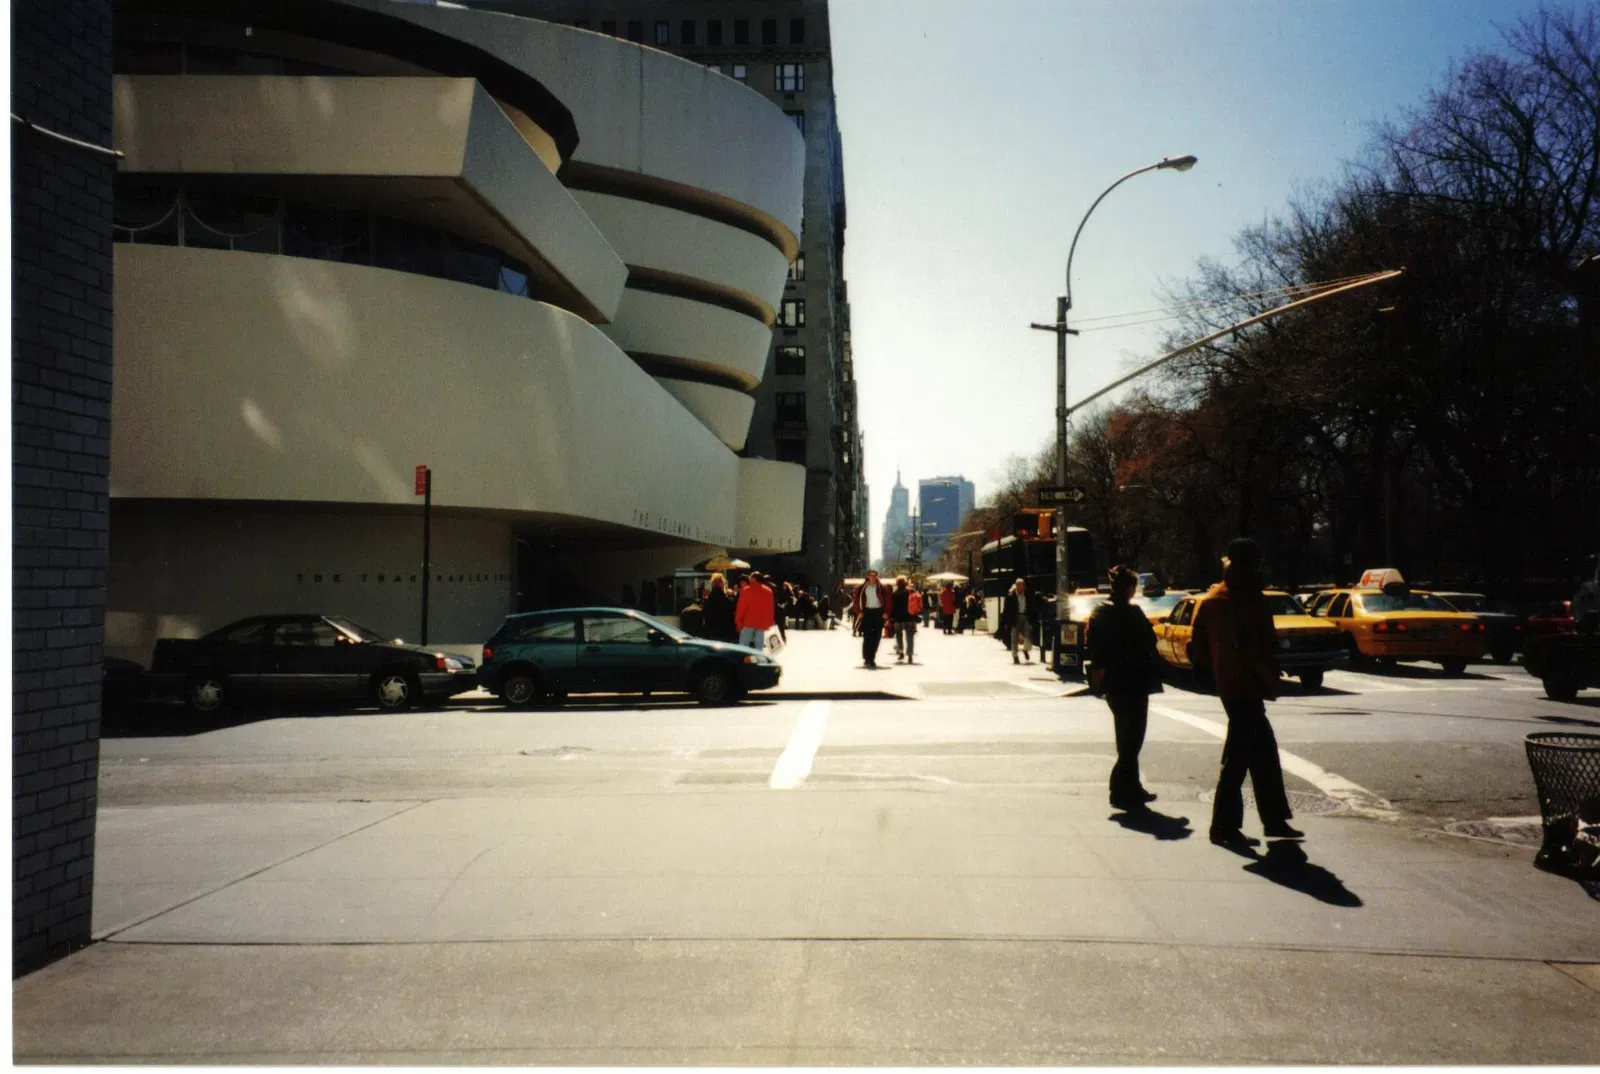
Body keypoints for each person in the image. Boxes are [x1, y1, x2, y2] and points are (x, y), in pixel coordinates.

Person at [1191, 537, 1303, 847]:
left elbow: (1198, 647)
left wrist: (1215, 675)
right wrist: (1267, 675)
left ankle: (1265, 821)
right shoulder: (1243, 599)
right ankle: (1230, 825)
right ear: (1250, 564)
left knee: (1254, 753)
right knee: (1243, 758)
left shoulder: (1217, 598)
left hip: (1232, 686)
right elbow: (1252, 646)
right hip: (1245, 687)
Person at [1087, 565, 1163, 811]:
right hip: (1135, 680)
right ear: (1129, 589)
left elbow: (1094, 648)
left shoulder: (1099, 612)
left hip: (1113, 681)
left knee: (1124, 735)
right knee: (1133, 738)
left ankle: (1131, 787)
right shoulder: (1133, 613)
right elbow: (1150, 641)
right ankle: (1119, 788)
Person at [851, 569, 892, 668]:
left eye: (875, 575)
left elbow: (888, 601)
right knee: (867, 636)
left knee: (877, 636)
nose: (873, 577)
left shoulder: (882, 588)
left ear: (877, 576)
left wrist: (886, 613)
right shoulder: (862, 588)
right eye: (871, 575)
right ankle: (867, 658)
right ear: (868, 576)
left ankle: (872, 657)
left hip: (878, 612)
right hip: (867, 612)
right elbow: (856, 601)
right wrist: (859, 612)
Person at [734, 570, 776, 651]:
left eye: (750, 577)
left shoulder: (747, 590)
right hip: (761, 623)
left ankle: (744, 659)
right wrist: (769, 623)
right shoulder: (768, 591)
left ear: (754, 579)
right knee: (759, 648)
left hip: (748, 622)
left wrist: (738, 622)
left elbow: (741, 608)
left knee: (743, 647)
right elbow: (770, 609)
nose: (749, 578)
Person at [1003, 578, 1035, 664]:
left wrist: (1032, 619)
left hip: (1025, 617)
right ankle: (1015, 656)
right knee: (1014, 638)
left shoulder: (1028, 596)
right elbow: (1006, 610)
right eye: (1019, 585)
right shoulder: (1010, 597)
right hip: (1015, 618)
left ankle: (1025, 649)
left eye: (1023, 586)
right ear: (1016, 586)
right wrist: (1006, 622)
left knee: (1028, 636)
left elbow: (1032, 607)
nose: (1021, 587)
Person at [890, 575, 920, 664]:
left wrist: (891, 617)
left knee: (898, 636)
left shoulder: (894, 593)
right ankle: (910, 654)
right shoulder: (910, 591)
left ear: (897, 583)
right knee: (910, 636)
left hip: (897, 618)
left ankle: (901, 652)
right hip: (910, 617)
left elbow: (892, 607)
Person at [701, 572, 737, 643]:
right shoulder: (721, 596)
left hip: (711, 630)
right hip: (722, 631)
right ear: (720, 583)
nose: (724, 584)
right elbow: (730, 607)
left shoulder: (710, 597)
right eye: (723, 582)